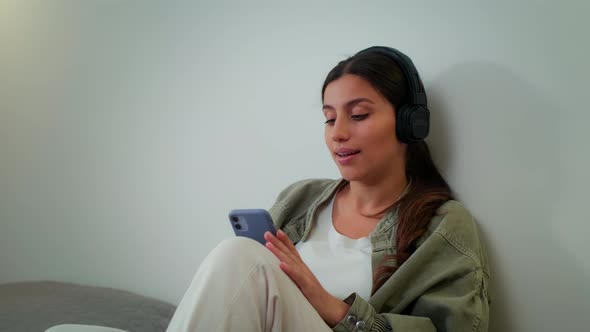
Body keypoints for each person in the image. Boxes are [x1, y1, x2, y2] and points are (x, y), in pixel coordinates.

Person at [166, 46, 490, 332]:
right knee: (238, 254)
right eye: (329, 119)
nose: (338, 133)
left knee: (238, 254)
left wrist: (329, 306)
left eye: (358, 115)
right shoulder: (300, 198)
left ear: (410, 123)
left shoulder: (443, 224)